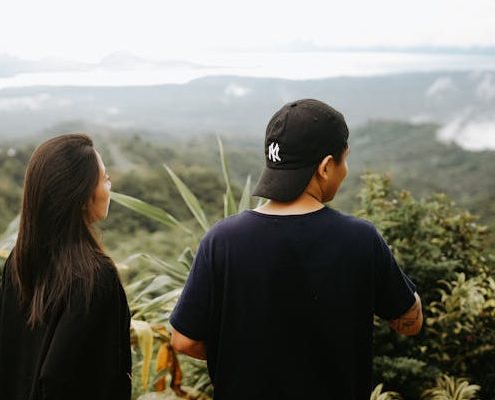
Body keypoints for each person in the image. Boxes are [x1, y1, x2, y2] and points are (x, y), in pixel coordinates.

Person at [169, 99, 423, 400]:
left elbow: (183, 341)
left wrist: (247, 361)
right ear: (326, 167)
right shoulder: (360, 239)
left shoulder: (221, 240)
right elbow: (410, 322)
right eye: (344, 159)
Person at [0, 134, 131, 400]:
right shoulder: (95, 277)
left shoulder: (20, 260)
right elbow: (69, 380)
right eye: (104, 178)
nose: (109, 185)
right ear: (81, 195)